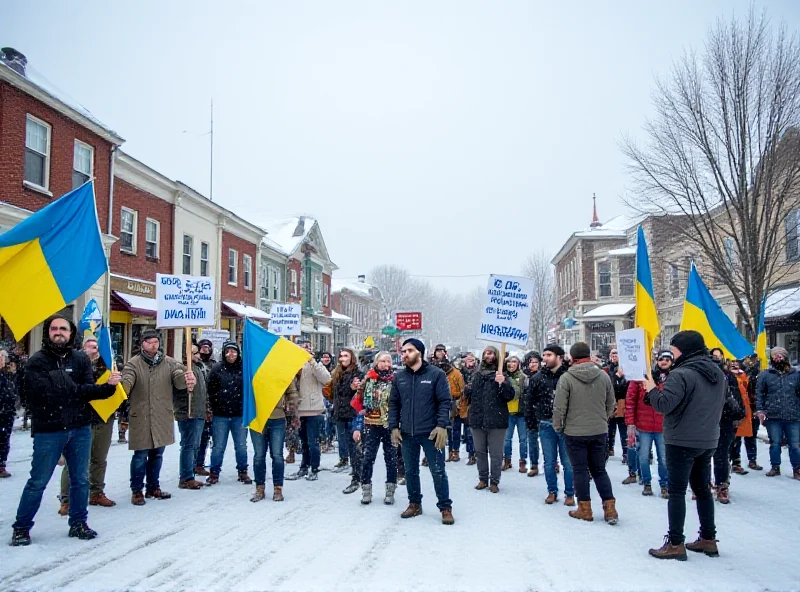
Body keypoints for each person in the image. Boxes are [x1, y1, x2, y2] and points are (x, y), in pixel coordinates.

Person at [11, 315, 121, 546]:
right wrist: (72, 387)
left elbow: (88, 391)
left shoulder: (80, 359)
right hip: (49, 430)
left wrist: (109, 388)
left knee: (80, 480)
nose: (58, 332)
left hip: (80, 428)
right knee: (38, 481)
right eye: (54, 328)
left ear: (71, 333)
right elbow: (39, 395)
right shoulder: (37, 361)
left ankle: (78, 523)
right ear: (48, 332)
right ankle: (21, 527)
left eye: (63, 328)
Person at [645, 330, 726, 561]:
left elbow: (663, 404)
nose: (673, 353)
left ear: (685, 349)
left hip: (681, 440)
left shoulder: (681, 374)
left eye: (675, 348)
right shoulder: (717, 372)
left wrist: (650, 387)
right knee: (702, 490)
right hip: (708, 438)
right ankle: (708, 539)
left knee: (678, 491)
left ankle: (675, 543)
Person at [120, 329, 196, 506]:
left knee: (157, 454)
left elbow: (178, 380)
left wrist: (188, 378)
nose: (153, 345)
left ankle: (153, 486)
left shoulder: (169, 362)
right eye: (149, 342)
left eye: (155, 342)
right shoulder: (133, 364)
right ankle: (137, 490)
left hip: (161, 416)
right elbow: (127, 381)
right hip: (142, 417)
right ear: (142, 344)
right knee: (140, 455)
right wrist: (123, 385)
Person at [389, 338, 454, 525]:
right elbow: (394, 403)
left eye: (409, 350)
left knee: (438, 470)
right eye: (403, 351)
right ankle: (414, 503)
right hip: (407, 433)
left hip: (431, 433)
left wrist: (442, 425)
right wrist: (394, 426)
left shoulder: (436, 374)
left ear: (419, 352)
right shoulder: (399, 377)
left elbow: (444, 402)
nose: (404, 354)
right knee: (410, 471)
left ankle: (445, 507)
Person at [58, 333, 124, 514]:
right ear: (83, 348)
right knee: (75, 461)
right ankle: (66, 499)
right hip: (80, 418)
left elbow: (117, 390)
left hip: (104, 417)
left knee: (99, 459)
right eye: (91, 346)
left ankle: (96, 492)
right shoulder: (74, 365)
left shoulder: (109, 366)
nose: (95, 349)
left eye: (97, 346)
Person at [553, 342, 618, 524]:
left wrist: (559, 426)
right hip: (599, 431)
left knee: (580, 470)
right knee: (599, 469)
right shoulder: (603, 376)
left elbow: (559, 407)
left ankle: (585, 509)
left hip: (575, 432)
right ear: (589, 355)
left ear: (572, 358)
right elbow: (611, 404)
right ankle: (610, 508)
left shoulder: (566, 378)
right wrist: (601, 419)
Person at [525, 344, 574, 505]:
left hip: (567, 425)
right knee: (549, 461)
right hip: (545, 424)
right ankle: (552, 491)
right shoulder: (537, 378)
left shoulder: (568, 376)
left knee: (568, 462)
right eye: (544, 355)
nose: (545, 358)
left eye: (549, 355)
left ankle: (570, 493)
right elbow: (530, 401)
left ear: (559, 357)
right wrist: (531, 422)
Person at [625, 350, 672, 497]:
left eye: (667, 359)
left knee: (664, 459)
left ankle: (664, 484)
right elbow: (631, 400)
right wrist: (630, 422)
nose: (664, 362)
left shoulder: (675, 378)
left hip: (663, 426)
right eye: (661, 359)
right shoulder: (643, 376)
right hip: (643, 426)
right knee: (643, 457)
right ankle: (646, 482)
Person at [352, 351, 397, 505]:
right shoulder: (368, 379)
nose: (386, 364)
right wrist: (357, 426)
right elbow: (359, 403)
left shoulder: (396, 380)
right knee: (368, 458)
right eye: (383, 361)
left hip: (389, 424)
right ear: (376, 362)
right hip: (371, 424)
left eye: (388, 361)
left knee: (390, 458)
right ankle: (366, 489)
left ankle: (390, 490)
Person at [467, 346, 514, 492]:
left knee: (496, 453)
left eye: (492, 353)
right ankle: (483, 479)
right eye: (487, 352)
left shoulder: (502, 374)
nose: (489, 355)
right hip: (477, 419)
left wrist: (504, 383)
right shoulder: (476, 374)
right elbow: (471, 396)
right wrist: (467, 390)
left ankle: (494, 481)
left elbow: (509, 396)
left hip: (496, 420)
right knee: (480, 452)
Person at [206, 342, 252, 485]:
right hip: (221, 415)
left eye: (233, 352)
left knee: (241, 445)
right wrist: (214, 405)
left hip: (239, 414)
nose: (230, 354)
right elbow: (210, 389)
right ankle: (214, 472)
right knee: (218, 446)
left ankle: (243, 471)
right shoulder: (217, 369)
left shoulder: (245, 369)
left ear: (238, 353)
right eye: (228, 352)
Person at [288, 339, 331, 481]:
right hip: (298, 409)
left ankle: (314, 468)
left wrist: (312, 361)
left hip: (314, 409)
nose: (304, 349)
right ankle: (303, 467)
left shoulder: (314, 364)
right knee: (304, 441)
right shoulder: (292, 363)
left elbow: (326, 379)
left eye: (307, 347)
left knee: (313, 441)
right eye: (301, 347)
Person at [756, 346, 800, 480]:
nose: (778, 358)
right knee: (775, 443)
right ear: (772, 358)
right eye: (775, 356)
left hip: (793, 415)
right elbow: (759, 394)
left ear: (786, 357)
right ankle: (775, 467)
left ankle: (797, 469)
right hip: (773, 416)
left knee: (795, 444)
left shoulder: (796, 374)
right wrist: (760, 410)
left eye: (781, 355)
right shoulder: (765, 375)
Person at [250, 379, 298, 502]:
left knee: (277, 455)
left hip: (277, 417)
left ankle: (278, 488)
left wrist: (292, 410)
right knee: (259, 455)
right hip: (257, 417)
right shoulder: (254, 365)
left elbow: (292, 392)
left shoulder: (280, 367)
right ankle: (259, 488)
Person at [173, 343, 208, 490]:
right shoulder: (181, 369)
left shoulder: (198, 368)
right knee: (188, 445)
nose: (198, 355)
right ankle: (186, 477)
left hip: (198, 412)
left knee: (195, 445)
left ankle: (190, 471)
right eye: (194, 353)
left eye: (198, 353)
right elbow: (180, 387)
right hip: (188, 412)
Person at [331, 348, 363, 493]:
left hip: (352, 414)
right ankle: (351, 466)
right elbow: (335, 393)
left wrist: (353, 388)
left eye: (346, 356)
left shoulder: (356, 373)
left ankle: (357, 477)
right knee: (343, 443)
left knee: (354, 447)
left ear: (352, 358)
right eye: (341, 356)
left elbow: (357, 393)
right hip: (339, 413)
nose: (342, 358)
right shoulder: (337, 373)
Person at [730, 359, 760, 474]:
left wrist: (752, 375)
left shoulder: (747, 377)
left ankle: (752, 460)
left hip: (750, 411)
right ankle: (735, 462)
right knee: (735, 439)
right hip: (736, 412)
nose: (735, 367)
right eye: (733, 365)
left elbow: (754, 391)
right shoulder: (728, 378)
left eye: (737, 365)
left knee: (751, 437)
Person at [434, 352, 464, 463]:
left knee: (454, 430)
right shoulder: (435, 373)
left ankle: (454, 451)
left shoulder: (456, 373)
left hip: (453, 404)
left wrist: (453, 395)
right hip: (438, 404)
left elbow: (462, 390)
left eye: (444, 365)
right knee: (439, 428)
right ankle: (435, 452)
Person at [502, 355, 528, 473]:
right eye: (509, 362)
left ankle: (522, 462)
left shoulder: (523, 377)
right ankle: (507, 460)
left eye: (514, 362)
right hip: (508, 412)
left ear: (518, 364)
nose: (511, 364)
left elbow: (524, 393)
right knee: (507, 439)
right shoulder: (503, 376)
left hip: (521, 412)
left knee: (523, 439)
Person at [193, 340, 215, 476]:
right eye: (203, 347)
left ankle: (199, 463)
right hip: (197, 405)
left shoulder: (214, 365)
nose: (205, 350)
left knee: (205, 438)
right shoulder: (194, 365)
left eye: (208, 347)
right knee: (195, 439)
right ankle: (192, 464)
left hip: (211, 406)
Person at [605, 348, 629, 459]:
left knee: (623, 428)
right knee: (610, 428)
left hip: (622, 401)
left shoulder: (626, 367)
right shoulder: (606, 368)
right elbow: (609, 385)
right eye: (612, 354)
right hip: (610, 400)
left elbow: (627, 385)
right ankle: (610, 449)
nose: (614, 356)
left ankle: (625, 451)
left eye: (616, 354)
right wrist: (617, 377)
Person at [522, 351, 542, 476]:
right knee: (532, 440)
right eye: (531, 362)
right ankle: (534, 464)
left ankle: (553, 462)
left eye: (535, 362)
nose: (533, 364)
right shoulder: (524, 377)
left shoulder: (544, 375)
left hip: (544, 411)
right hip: (530, 412)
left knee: (549, 441)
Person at [457, 352, 478, 465]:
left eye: (472, 359)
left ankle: (474, 453)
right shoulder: (460, 372)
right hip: (464, 403)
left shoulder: (479, 371)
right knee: (467, 430)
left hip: (476, 403)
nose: (471, 361)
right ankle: (471, 453)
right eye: (468, 359)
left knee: (474, 431)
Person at [0, 349, 15, 478]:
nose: (2, 360)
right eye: (1, 357)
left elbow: (13, 389)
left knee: (5, 439)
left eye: (4, 357)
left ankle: (2, 464)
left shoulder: (6, 373)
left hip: (7, 413)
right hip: (2, 411)